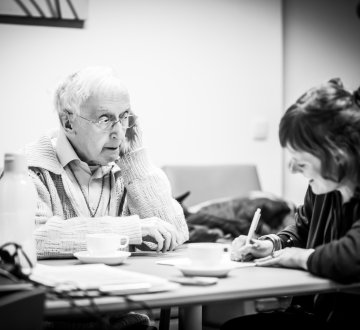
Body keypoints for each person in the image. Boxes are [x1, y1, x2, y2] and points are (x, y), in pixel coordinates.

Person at [23, 66, 189, 329]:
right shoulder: (28, 169)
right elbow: (33, 237)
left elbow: (176, 232)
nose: (119, 132)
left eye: (124, 117)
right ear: (68, 122)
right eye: (105, 119)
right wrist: (130, 230)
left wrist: (135, 158)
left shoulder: (125, 166)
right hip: (58, 321)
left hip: (126, 319)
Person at [222, 78, 360, 329]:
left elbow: (352, 256)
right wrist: (271, 244)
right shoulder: (322, 187)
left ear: (335, 153)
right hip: (316, 313)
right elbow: (303, 228)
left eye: (300, 158)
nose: (293, 168)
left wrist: (299, 258)